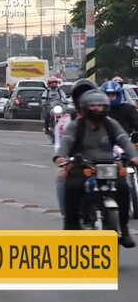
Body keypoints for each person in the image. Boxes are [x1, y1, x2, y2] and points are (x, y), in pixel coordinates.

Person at [54, 90, 137, 248]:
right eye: (93, 106)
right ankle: (71, 226)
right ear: (85, 107)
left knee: (123, 188)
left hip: (108, 166)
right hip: (83, 166)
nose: (97, 109)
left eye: (100, 106)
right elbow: (66, 141)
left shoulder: (111, 124)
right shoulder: (76, 125)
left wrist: (133, 156)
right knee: (72, 187)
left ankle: (124, 229)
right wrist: (61, 157)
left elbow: (124, 140)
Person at [53, 79, 98, 219]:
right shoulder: (67, 120)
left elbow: (116, 140)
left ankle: (123, 228)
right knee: (62, 179)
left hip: (103, 163)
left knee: (121, 185)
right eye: (82, 96)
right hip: (78, 163)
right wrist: (64, 161)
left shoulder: (106, 117)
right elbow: (61, 144)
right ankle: (69, 217)